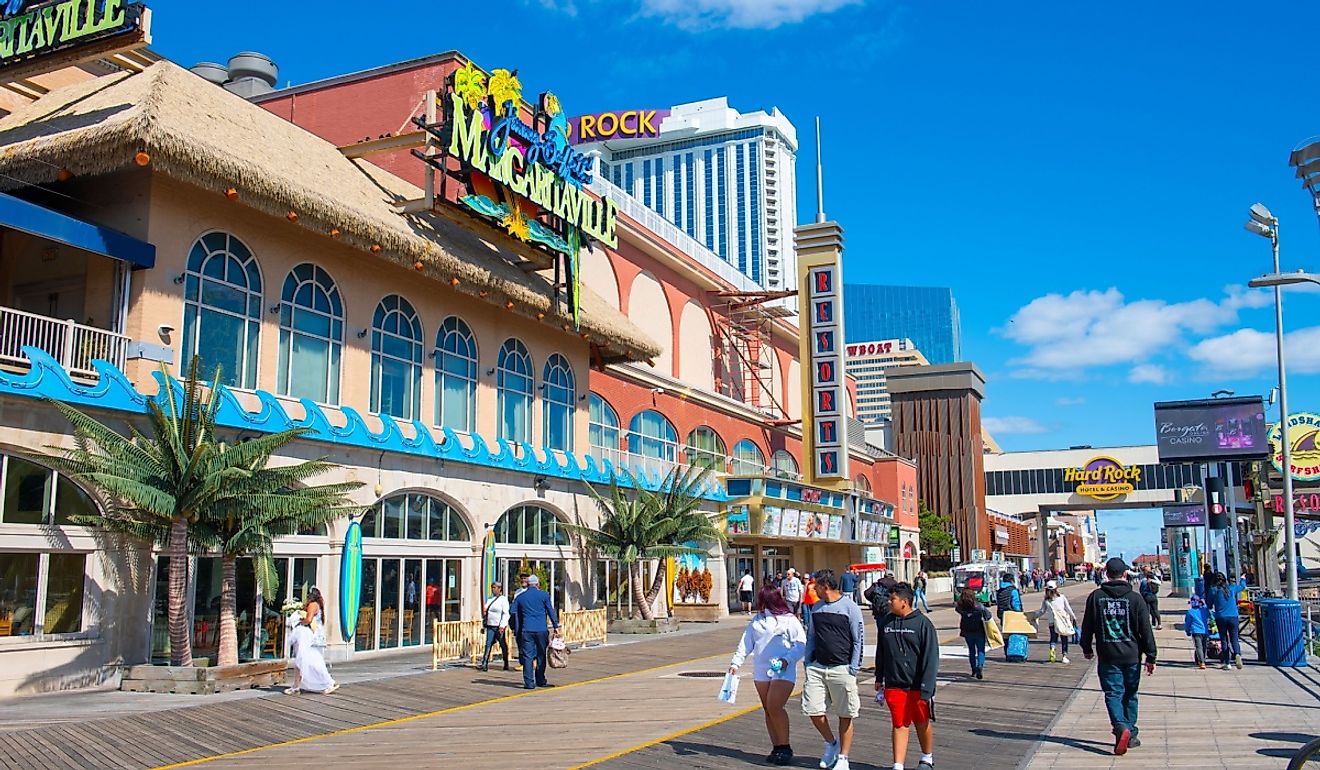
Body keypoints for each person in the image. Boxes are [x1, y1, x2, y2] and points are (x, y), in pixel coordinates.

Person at [1080, 558, 1157, 756]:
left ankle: (1120, 726)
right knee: (1130, 694)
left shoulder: (1096, 597)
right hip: (1132, 655)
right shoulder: (1135, 598)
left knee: (1113, 693)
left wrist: (1086, 647)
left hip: (1107, 654)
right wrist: (1151, 655)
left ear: (1106, 573)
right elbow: (1145, 630)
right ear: (1124, 574)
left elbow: (1087, 625)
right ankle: (1129, 733)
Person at [729, 586, 807, 766]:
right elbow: (745, 644)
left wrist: (788, 659)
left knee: (775, 705)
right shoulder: (757, 620)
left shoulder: (789, 620)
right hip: (761, 668)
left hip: (783, 668)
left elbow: (801, 643)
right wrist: (735, 663)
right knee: (768, 708)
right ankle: (776, 746)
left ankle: (785, 746)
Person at [802, 569, 864, 770]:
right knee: (813, 709)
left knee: (845, 714)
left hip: (842, 668)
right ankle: (831, 743)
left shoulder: (850, 608)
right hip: (817, 667)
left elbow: (858, 639)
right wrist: (807, 661)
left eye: (815, 585)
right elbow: (811, 636)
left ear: (825, 586)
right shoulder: (817, 608)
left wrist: (853, 667)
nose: (813, 589)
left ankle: (843, 758)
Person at [875, 583, 939, 770]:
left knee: (921, 721)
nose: (889, 602)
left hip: (918, 685)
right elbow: (881, 652)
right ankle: (898, 764)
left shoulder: (923, 624)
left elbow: (931, 657)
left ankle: (927, 757)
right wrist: (879, 677)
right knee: (899, 722)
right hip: (894, 683)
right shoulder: (886, 622)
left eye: (892, 599)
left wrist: (928, 687)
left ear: (904, 602)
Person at [508, 574, 560, 689]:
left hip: (526, 629)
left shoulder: (520, 597)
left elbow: (512, 611)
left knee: (528, 656)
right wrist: (556, 626)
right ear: (537, 584)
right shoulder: (544, 595)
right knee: (541, 654)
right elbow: (551, 611)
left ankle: (529, 683)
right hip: (541, 629)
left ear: (527, 584)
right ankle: (540, 680)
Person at [288, 587, 337, 695]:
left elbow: (308, 619)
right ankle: (297, 685)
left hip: (311, 638)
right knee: (309, 661)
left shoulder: (312, 605)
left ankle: (327, 682)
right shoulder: (318, 606)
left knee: (311, 661)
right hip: (317, 637)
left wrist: (299, 621)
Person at [1206, 571, 1247, 670]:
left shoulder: (1213, 590)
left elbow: (1209, 605)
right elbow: (1242, 587)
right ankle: (1237, 654)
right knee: (1234, 639)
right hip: (1233, 617)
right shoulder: (1232, 588)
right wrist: (1242, 579)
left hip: (1221, 617)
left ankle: (1227, 663)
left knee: (1224, 640)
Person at [1038, 580, 1078, 664]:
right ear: (1056, 589)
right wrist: (1073, 616)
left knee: (1053, 638)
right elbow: (1068, 608)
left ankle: (1052, 649)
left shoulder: (1046, 601)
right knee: (1064, 638)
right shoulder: (1062, 597)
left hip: (1052, 622)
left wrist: (1034, 617)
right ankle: (1064, 656)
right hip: (1062, 622)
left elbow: (1041, 611)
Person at [956, 587, 991, 679]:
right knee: (980, 650)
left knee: (971, 650)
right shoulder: (978, 606)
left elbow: (957, 609)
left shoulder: (961, 607)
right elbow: (988, 615)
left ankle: (973, 669)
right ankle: (980, 666)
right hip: (979, 630)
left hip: (967, 630)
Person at [478, 582, 510, 672]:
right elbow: (485, 610)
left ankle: (506, 662)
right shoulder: (490, 599)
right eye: (492, 587)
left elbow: (505, 613)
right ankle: (484, 663)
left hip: (498, 626)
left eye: (495, 587)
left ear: (499, 589)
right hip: (490, 625)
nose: (493, 589)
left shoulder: (503, 600)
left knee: (502, 644)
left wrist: (502, 625)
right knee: (488, 644)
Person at [865, 570, 899, 635]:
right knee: (891, 630)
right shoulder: (895, 584)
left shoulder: (877, 584)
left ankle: (881, 643)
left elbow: (867, 593)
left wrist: (873, 600)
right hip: (890, 610)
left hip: (878, 609)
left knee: (880, 630)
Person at [1184, 593, 1211, 670]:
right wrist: (1204, 604)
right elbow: (1210, 615)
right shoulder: (1204, 610)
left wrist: (1187, 631)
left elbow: (1187, 623)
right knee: (1204, 646)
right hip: (1205, 631)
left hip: (1196, 631)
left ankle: (1201, 662)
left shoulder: (1190, 612)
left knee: (1198, 647)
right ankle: (1203, 660)